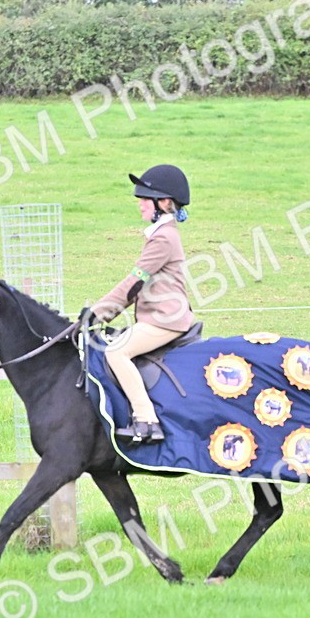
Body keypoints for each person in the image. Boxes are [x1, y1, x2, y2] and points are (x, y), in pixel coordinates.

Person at [91, 164, 196, 445]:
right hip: (157, 316)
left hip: (165, 320)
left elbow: (134, 283)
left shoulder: (163, 238)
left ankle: (146, 420)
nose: (139, 205)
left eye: (144, 199)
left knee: (116, 353)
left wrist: (98, 313)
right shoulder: (161, 234)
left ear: (163, 203)